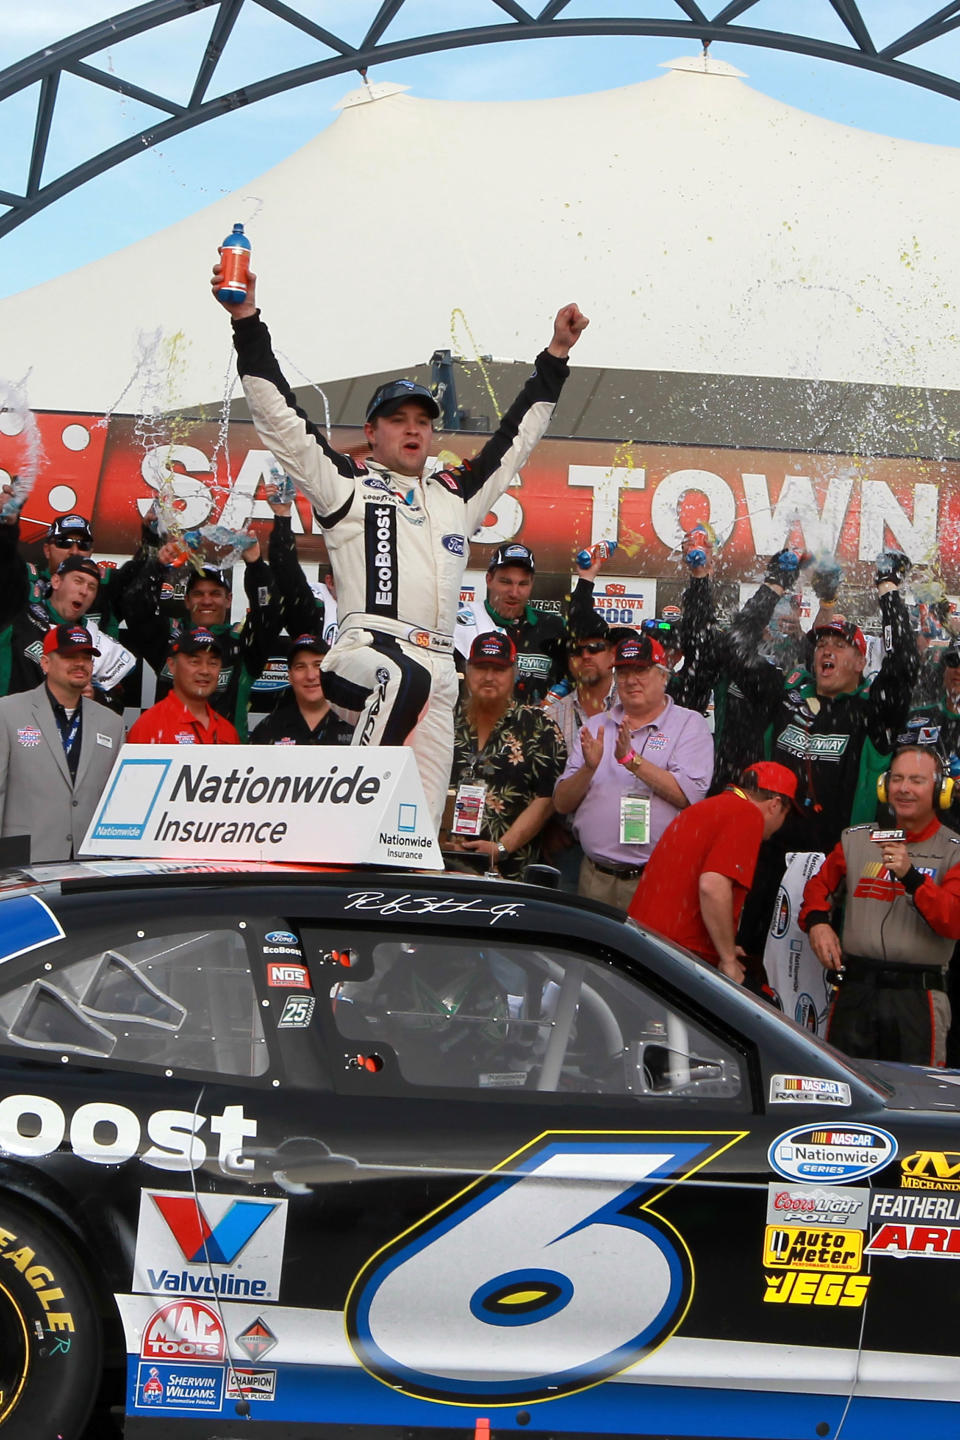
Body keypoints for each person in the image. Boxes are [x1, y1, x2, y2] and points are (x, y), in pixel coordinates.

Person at [213, 260, 587, 826]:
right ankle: (345, 819)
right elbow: (281, 419)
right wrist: (246, 320)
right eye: (397, 419)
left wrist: (555, 356)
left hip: (439, 671)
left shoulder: (455, 495)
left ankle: (393, 875)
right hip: (365, 654)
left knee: (414, 826)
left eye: (422, 420)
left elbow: (515, 441)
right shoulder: (346, 483)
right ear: (372, 432)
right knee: (399, 677)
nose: (412, 429)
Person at [798, 746, 960, 1066]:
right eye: (897, 778)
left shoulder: (954, 851)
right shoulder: (856, 840)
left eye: (916, 780)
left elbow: (953, 921)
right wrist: (817, 921)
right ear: (884, 786)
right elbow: (818, 887)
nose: (904, 788)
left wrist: (911, 877)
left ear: (941, 791)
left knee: (917, 1099)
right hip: (856, 990)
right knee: (847, 1087)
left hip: (919, 997)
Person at [553, 632, 714, 910]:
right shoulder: (595, 726)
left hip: (656, 877)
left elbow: (688, 796)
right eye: (623, 672)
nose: (630, 680)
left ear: (664, 676)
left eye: (641, 670)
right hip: (594, 875)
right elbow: (561, 803)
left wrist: (631, 760)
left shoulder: (690, 725)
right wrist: (588, 769)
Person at [629, 762, 797, 983]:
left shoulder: (709, 807)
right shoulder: (748, 815)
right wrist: (727, 959)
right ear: (775, 805)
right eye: (786, 815)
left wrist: (724, 945)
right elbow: (712, 886)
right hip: (676, 955)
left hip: (646, 941)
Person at [122, 549, 280, 739]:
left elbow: (269, 612)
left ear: (228, 599)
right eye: (198, 594)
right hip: (168, 752)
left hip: (227, 754)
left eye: (215, 593)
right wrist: (157, 565)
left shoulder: (243, 643)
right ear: (187, 600)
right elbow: (134, 607)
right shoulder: (170, 640)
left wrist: (255, 564)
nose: (206, 601)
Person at [447, 632, 566, 880]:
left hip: (508, 871)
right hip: (442, 862)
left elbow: (548, 798)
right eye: (481, 668)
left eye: (498, 670)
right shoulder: (444, 719)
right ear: (467, 671)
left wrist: (501, 848)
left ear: (513, 673)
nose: (489, 677)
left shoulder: (538, 725)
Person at [0, 624, 123, 862]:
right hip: (23, 863)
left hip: (88, 864)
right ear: (45, 663)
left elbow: (114, 804)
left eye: (86, 657)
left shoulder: (112, 723)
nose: (80, 663)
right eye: (69, 656)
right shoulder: (7, 712)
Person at [454, 543, 567, 703]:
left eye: (522, 584)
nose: (514, 593)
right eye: (506, 582)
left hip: (537, 726)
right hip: (474, 724)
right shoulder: (461, 625)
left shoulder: (553, 627)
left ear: (532, 583)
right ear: (489, 579)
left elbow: (575, 678)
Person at [126, 629, 239, 745]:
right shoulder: (149, 726)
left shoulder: (228, 731)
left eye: (213, 663)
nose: (205, 671)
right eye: (195, 662)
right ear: (172, 665)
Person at [251, 633, 353, 746]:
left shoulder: (355, 724)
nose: (310, 676)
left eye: (318, 665)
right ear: (290, 676)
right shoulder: (267, 729)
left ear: (330, 671)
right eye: (300, 667)